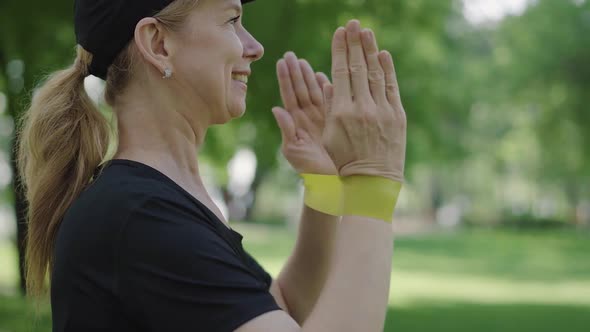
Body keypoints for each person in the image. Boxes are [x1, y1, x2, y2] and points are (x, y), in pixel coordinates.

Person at [17, 0, 407, 331]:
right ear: (158, 44)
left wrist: (324, 188)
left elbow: (280, 310)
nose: (254, 47)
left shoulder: (157, 201)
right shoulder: (138, 217)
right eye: (232, 21)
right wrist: (372, 180)